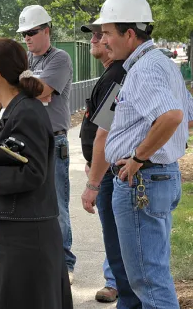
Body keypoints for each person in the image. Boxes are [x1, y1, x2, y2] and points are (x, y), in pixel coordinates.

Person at [89, 0, 193, 307]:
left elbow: (172, 117)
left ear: (130, 34)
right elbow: (184, 116)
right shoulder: (160, 62)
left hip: (142, 181)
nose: (104, 41)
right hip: (158, 177)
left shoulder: (145, 68)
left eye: (108, 33)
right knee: (151, 275)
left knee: (148, 281)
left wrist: (137, 157)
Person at [0, 38, 73, 309]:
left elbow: (34, 173)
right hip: (13, 229)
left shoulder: (27, 112)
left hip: (26, 235)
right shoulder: (11, 110)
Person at [17, 4, 75, 282]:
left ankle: (65, 264)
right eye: (24, 33)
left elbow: (41, 91)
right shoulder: (27, 59)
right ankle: (41, 259)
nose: (27, 38)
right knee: (32, 203)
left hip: (54, 141)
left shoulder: (60, 58)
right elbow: (23, 91)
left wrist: (29, 85)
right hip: (30, 141)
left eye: (32, 32)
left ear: (46, 30)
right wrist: (29, 84)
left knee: (57, 205)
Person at [79, 23, 128, 304]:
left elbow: (105, 133)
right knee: (115, 237)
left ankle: (119, 286)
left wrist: (93, 181)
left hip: (111, 172)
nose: (95, 40)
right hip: (104, 168)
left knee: (118, 239)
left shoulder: (118, 73)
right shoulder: (111, 72)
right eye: (95, 35)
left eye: (102, 34)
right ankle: (118, 283)